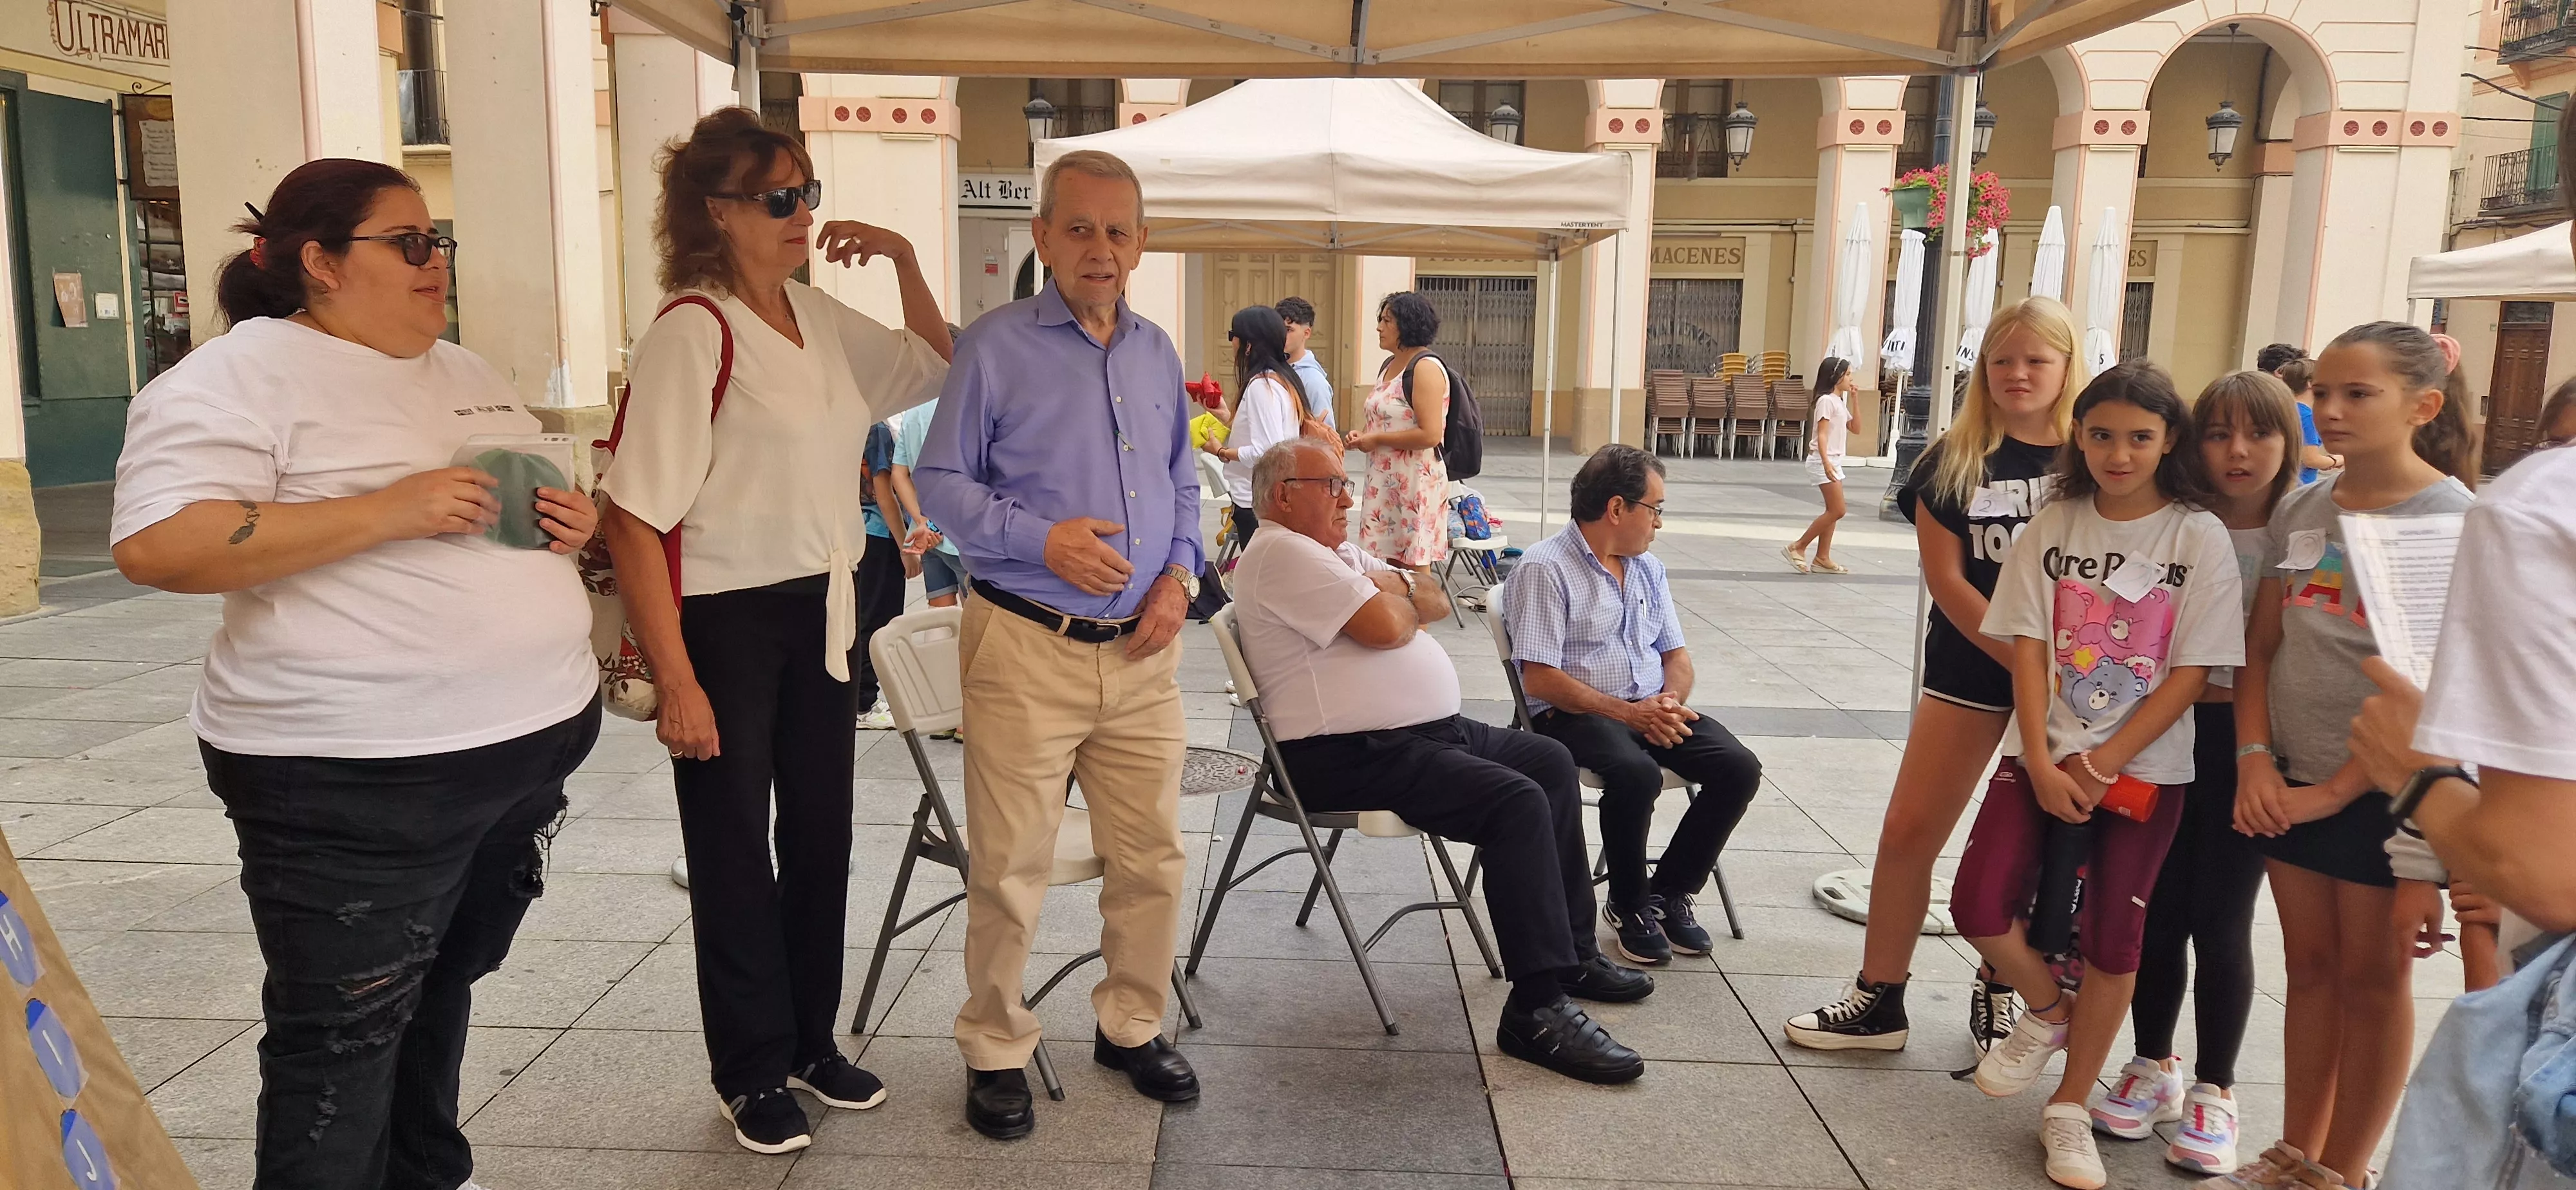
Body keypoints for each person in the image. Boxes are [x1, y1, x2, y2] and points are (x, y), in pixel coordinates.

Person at [108, 159, 603, 1189]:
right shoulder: (235, 380)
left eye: (439, 243)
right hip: (357, 773)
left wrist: (570, 524)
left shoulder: (462, 370)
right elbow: (161, 544)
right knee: (341, 1037)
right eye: (409, 242)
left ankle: (424, 1173)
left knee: (439, 989)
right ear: (318, 262)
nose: (435, 264)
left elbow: (497, 512)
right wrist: (394, 507)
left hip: (521, 751)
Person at [600, 108, 952, 1155]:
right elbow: (634, 514)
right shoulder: (693, 329)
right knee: (731, 850)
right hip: (721, 614)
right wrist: (678, 680)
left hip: (823, 605)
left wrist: (901, 258)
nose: (804, 214)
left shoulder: (813, 311)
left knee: (821, 834)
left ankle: (809, 1037)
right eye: (780, 197)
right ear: (716, 212)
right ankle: (748, 1067)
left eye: (808, 192)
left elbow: (934, 362)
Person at [914, 149, 1202, 1142]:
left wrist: (1180, 577)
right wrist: (1043, 540)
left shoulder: (1158, 352)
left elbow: (1187, 486)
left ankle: (1130, 1026)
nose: (1100, 249)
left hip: (1143, 651)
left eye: (1118, 231)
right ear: (1041, 238)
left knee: (1154, 858)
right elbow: (940, 485)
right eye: (1078, 229)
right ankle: (995, 1048)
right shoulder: (992, 348)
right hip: (1026, 643)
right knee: (1008, 866)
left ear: (1141, 244)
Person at [1233, 437, 1654, 1081]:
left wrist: (1392, 595)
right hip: (1344, 754)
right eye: (1332, 486)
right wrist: (1392, 602)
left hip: (1422, 734)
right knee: (1513, 801)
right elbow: (1387, 626)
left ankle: (1570, 955)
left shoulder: (1330, 550)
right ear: (1283, 495)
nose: (1349, 497)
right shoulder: (1281, 551)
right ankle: (1535, 1009)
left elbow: (1430, 596)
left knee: (1544, 760)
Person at [1960, 360, 2244, 1190]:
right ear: (2078, 437)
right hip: (2039, 754)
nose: (2119, 453)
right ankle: (2049, 1013)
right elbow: (2025, 644)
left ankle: (2070, 1109)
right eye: (2101, 434)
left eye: (2139, 437)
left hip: (2146, 771)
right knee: (1978, 902)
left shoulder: (2197, 535)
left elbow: (2195, 670)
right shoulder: (2055, 523)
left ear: (2169, 442)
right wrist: (2044, 757)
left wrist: (2102, 762)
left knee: (2117, 940)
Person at [2215, 321, 2479, 1190]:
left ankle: (2343, 1169)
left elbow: (2439, 694)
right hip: (2286, 782)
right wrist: (2256, 757)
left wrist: (2336, 792)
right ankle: (2295, 1151)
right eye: (2323, 392)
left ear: (2423, 406)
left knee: (2374, 981)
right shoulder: (2303, 505)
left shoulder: (2456, 523)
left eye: (2357, 394)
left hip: (2388, 799)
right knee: (2312, 969)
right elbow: (2261, 647)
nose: (2330, 408)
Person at [1785, 296, 2087, 1054]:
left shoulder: (2095, 455)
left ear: (2065, 366)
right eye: (2002, 360)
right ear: (1982, 369)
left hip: (2076, 687)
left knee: (2034, 845)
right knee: (1908, 830)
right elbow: (1949, 582)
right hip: (1974, 670)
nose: (2018, 374)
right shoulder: (1950, 458)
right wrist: (2023, 664)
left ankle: (1999, 984)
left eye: (2035, 360)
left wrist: (2057, 679)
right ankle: (1879, 998)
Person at [2092, 370, 2299, 1175]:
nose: (2238, 452)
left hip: (2249, 750)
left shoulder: (2297, 529)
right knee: (2155, 910)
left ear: (2288, 444)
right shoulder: (2173, 523)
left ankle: (2216, 1088)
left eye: (2259, 434)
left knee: (2222, 919)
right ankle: (2153, 1064)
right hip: (2160, 740)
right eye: (2218, 434)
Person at [1504, 444, 1765, 966]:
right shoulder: (1545, 568)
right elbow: (1540, 678)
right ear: (1618, 509)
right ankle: (1626, 902)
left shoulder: (1647, 569)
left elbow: (1677, 655)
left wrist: (1667, 704)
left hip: (1647, 706)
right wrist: (1628, 714)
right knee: (1636, 773)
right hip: (1569, 716)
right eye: (1656, 509)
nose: (1659, 524)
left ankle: (1667, 893)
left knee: (1738, 768)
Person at [1350, 292, 1452, 572]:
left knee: (1414, 576)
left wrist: (1377, 439)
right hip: (1386, 482)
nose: (1379, 327)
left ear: (1407, 325)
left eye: (1387, 321)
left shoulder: (1425, 368)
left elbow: (1430, 435)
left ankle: (1417, 620)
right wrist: (1364, 436)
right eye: (1380, 320)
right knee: (1391, 569)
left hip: (1414, 483)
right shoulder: (1389, 366)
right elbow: (1391, 419)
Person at [1208, 305, 1307, 546]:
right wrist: (1225, 415)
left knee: (1260, 580)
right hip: (1265, 501)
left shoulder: (1263, 386)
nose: (1232, 343)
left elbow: (1266, 453)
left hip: (1256, 503)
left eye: (1234, 336)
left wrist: (1221, 452)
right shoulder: (1281, 379)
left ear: (1249, 345)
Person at [1783, 356, 1859, 574]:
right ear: (1836, 377)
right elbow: (1822, 434)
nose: (1850, 378)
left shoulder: (1838, 401)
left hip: (1834, 460)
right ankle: (1798, 546)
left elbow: (1856, 428)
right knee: (1838, 510)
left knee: (1833, 511)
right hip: (1822, 459)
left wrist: (1855, 399)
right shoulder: (1826, 401)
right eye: (1847, 375)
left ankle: (1822, 557)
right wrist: (1826, 462)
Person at [855, 418, 906, 728]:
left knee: (862, 615)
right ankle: (864, 702)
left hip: (853, 531)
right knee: (877, 620)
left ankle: (860, 698)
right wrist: (905, 546)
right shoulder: (876, 430)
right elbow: (883, 491)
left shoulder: (850, 421)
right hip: (879, 533)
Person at [894, 396, 967, 611]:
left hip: (926, 535)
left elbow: (899, 474)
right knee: (976, 619)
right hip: (961, 536)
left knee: (939, 619)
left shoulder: (913, 410)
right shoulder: (964, 405)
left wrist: (923, 520)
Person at [2266, 353, 2340, 484]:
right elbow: (2310, 459)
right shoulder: (2306, 416)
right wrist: (2338, 460)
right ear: (2310, 383)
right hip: (2300, 485)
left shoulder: (2285, 409)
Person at [1276, 295, 1336, 430]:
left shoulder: (1313, 381)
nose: (1282, 335)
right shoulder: (1273, 370)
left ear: (1307, 333)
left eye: (1289, 330)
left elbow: (1326, 438)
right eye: (1279, 329)